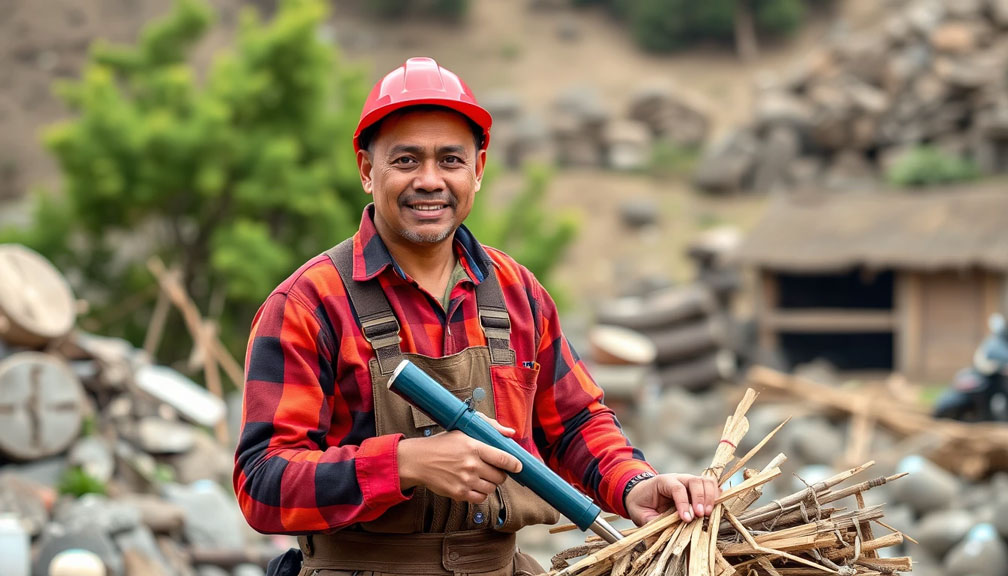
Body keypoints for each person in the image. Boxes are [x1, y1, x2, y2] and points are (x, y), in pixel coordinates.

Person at [234, 56, 719, 576]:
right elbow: (262, 484)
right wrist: (404, 463)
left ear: (478, 170)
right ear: (367, 171)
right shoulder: (308, 304)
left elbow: (575, 423)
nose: (429, 180)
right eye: (405, 160)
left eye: (450, 160)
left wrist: (634, 484)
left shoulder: (518, 293)